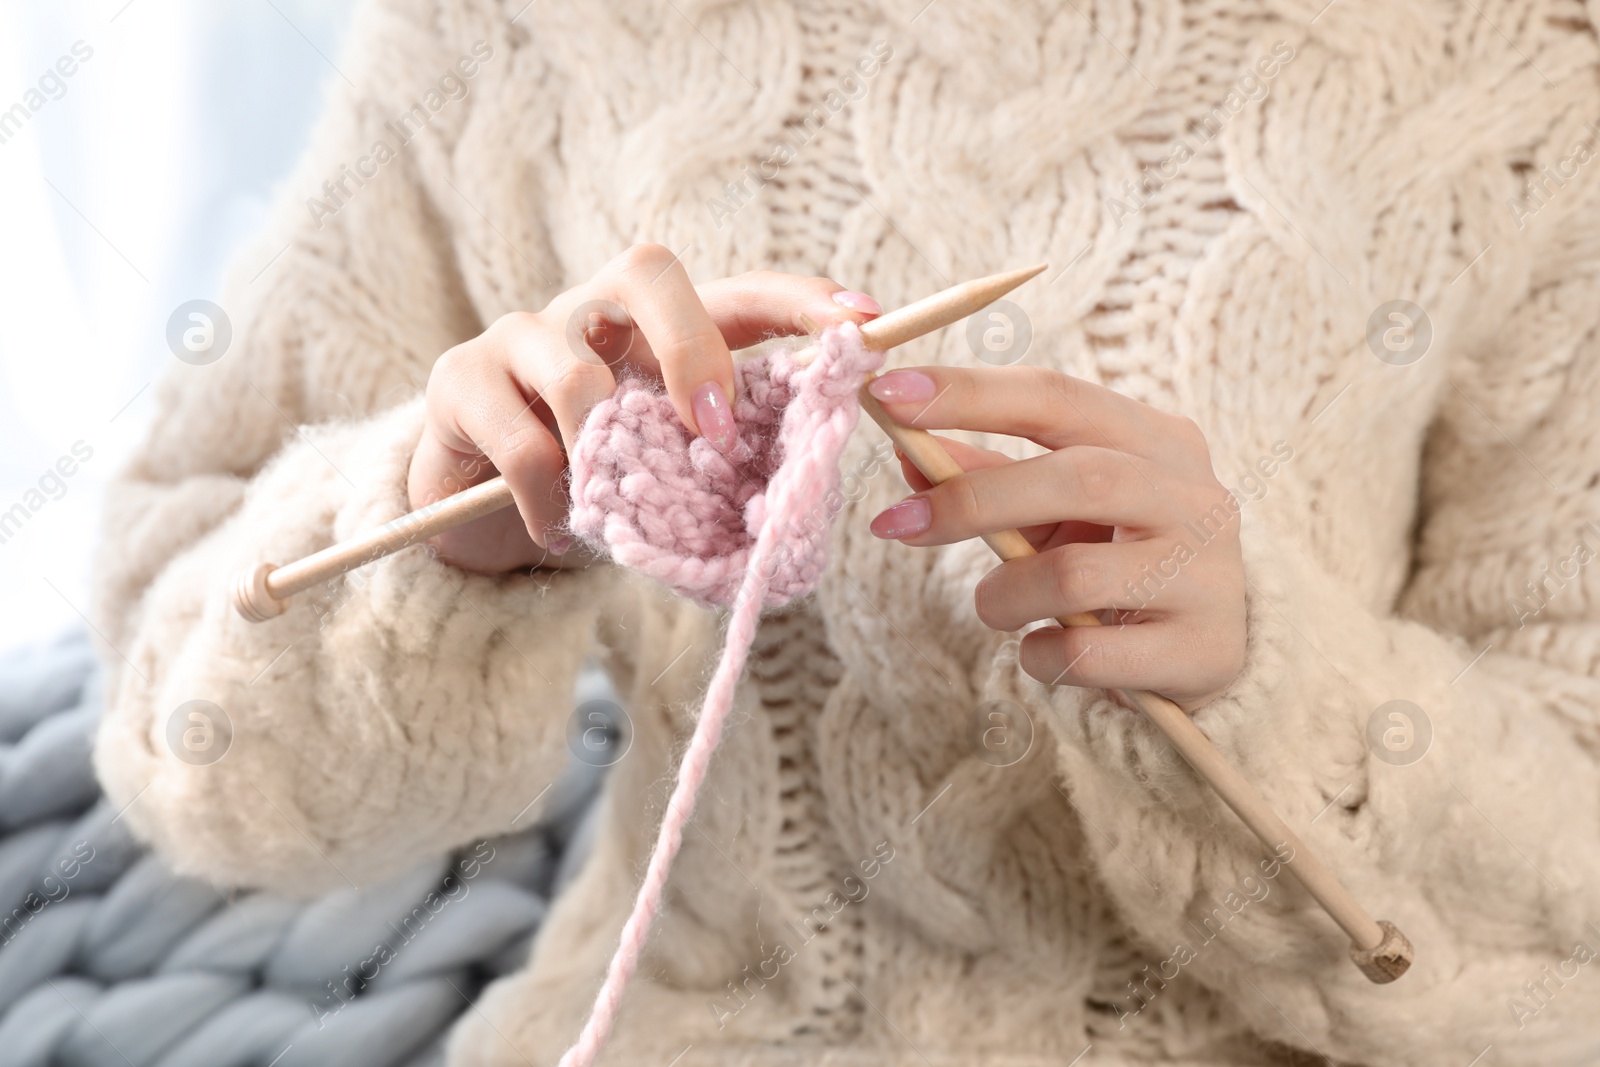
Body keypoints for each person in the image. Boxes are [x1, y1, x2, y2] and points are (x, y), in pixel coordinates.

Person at [92, 0, 1600, 1064]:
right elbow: (205, 757)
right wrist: (435, 529)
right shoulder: (505, 31)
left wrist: (1278, 680)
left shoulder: (1532, 75)